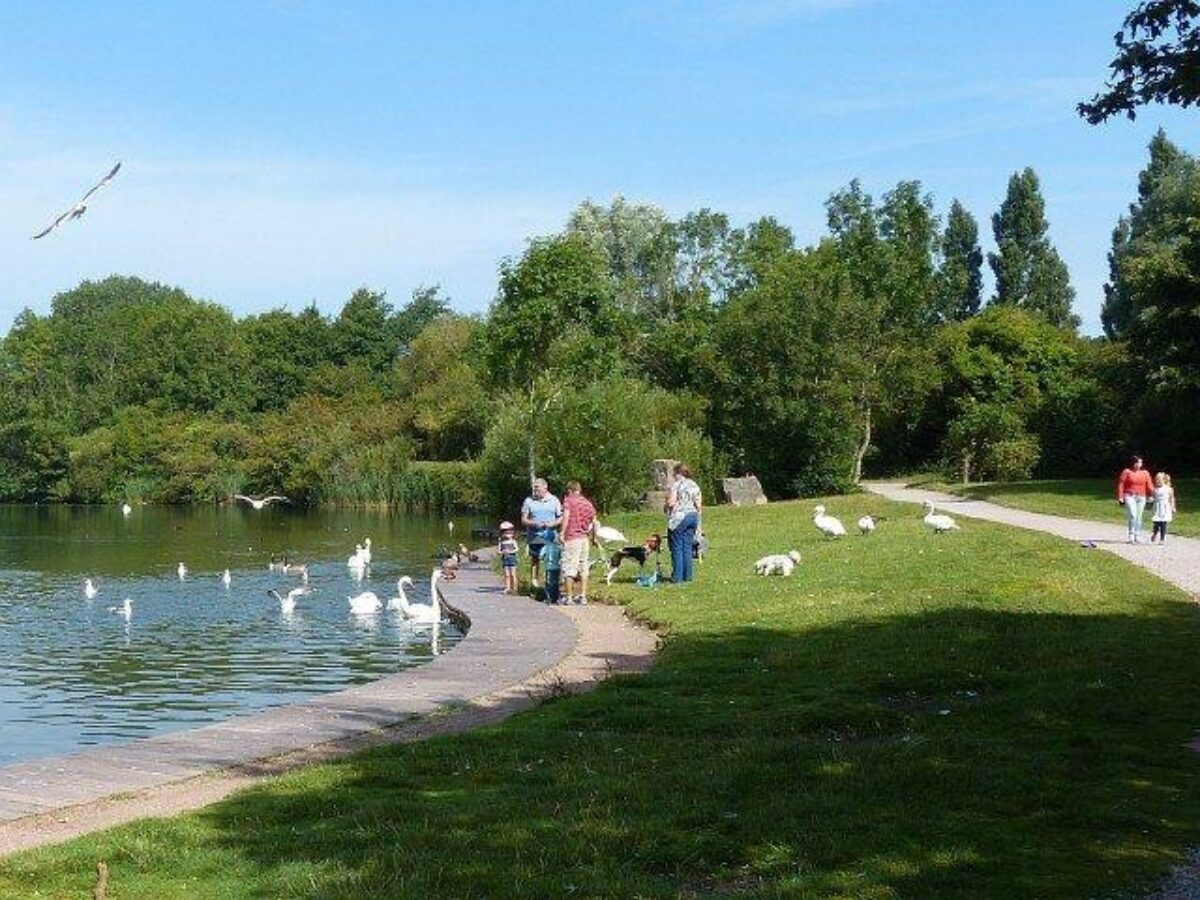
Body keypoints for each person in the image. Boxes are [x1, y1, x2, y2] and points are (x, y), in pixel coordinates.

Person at [520, 477, 562, 588]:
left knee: (551, 558)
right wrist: (534, 523)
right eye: (534, 489)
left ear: (545, 487)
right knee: (535, 558)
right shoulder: (528, 500)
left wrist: (553, 524)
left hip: (550, 534)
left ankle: (551, 582)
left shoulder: (554, 500)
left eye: (537, 488)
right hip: (535, 535)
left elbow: (561, 517)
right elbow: (523, 519)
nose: (535, 491)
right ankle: (534, 582)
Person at [559, 480, 596, 605]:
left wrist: (562, 532)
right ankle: (583, 596)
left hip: (572, 538)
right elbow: (594, 522)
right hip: (584, 538)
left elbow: (566, 516)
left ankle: (569, 597)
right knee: (583, 567)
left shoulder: (569, 501)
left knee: (569, 567)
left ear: (570, 490)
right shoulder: (587, 503)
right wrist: (593, 537)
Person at [665, 463, 702, 583]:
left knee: (677, 547)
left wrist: (666, 504)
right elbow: (698, 505)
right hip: (693, 516)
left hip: (679, 518)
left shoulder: (676, 485)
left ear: (678, 473)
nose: (673, 477)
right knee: (687, 547)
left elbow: (671, 503)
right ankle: (688, 576)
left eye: (674, 474)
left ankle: (677, 577)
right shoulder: (694, 485)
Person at [1116, 454, 1155, 543]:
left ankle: (1137, 535)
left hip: (1141, 497)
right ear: (1133, 463)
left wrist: (1154, 495)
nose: (1139, 464)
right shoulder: (1127, 472)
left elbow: (1150, 485)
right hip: (1130, 496)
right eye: (1137, 462)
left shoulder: (1145, 473)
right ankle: (1131, 535)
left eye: (1140, 462)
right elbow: (1121, 484)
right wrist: (1120, 497)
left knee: (1139, 516)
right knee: (1133, 515)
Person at [1150, 472, 1177, 544]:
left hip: (1165, 508)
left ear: (1164, 480)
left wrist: (1173, 507)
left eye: (1159, 480)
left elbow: (1171, 498)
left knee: (1163, 523)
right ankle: (1155, 533)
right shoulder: (1155, 489)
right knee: (1156, 523)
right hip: (1157, 508)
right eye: (1156, 480)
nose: (1158, 481)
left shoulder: (1169, 489)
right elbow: (1153, 497)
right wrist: (1150, 499)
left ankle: (1162, 539)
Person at [540, 532, 563, 604]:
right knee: (556, 583)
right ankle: (556, 598)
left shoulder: (545, 547)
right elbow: (561, 556)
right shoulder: (559, 547)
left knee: (549, 583)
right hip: (557, 567)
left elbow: (541, 556)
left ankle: (549, 598)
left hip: (549, 567)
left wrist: (543, 559)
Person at [498, 521, 519, 594]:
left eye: (510, 533)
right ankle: (507, 587)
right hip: (505, 558)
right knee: (506, 574)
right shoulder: (501, 542)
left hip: (512, 558)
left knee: (513, 574)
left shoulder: (513, 541)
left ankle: (515, 588)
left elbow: (516, 549)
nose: (508, 535)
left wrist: (510, 551)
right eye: (506, 533)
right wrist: (503, 552)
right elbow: (499, 551)